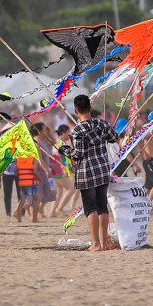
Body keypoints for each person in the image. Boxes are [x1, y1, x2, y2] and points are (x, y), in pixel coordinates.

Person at [57, 94, 117, 253]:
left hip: (87, 172)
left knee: (91, 209)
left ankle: (96, 244)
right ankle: (103, 244)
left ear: (76, 111)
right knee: (102, 207)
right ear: (90, 108)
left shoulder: (77, 130)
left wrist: (64, 150)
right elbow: (113, 138)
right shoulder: (102, 124)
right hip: (103, 170)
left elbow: (78, 154)